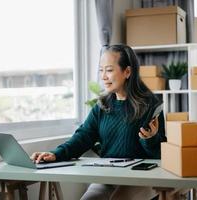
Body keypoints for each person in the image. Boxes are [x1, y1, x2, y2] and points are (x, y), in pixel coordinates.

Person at [31, 44, 166, 200]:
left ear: (127, 71)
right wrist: (55, 154)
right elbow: (83, 137)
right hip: (109, 176)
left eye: (109, 70)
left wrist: (150, 139)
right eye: (101, 70)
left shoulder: (151, 106)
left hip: (142, 178)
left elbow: (161, 156)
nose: (103, 77)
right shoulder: (101, 106)